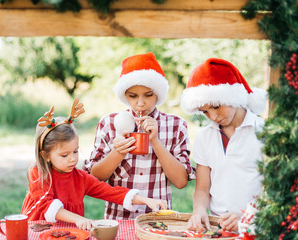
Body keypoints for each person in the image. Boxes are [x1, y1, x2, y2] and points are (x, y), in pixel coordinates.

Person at [21, 99, 167, 230]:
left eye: (75, 151)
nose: (72, 159)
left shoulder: (80, 178)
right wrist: (78, 219)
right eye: (64, 155)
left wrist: (146, 200)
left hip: (68, 233)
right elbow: (47, 206)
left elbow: (111, 192)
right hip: (37, 230)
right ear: (45, 155)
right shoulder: (38, 174)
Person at [83, 52, 195, 220]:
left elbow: (180, 182)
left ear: (158, 93)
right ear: (124, 95)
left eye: (148, 95)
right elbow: (95, 177)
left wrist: (155, 142)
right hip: (119, 218)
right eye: (132, 96)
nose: (140, 103)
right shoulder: (109, 123)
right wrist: (118, 153)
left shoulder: (176, 125)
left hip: (158, 220)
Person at [181, 58, 267, 232]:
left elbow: (274, 189)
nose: (212, 116)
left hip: (257, 227)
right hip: (217, 228)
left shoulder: (265, 133)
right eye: (205, 111)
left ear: (232, 96)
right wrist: (198, 211)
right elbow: (202, 188)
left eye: (216, 106)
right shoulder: (205, 137)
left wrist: (248, 217)